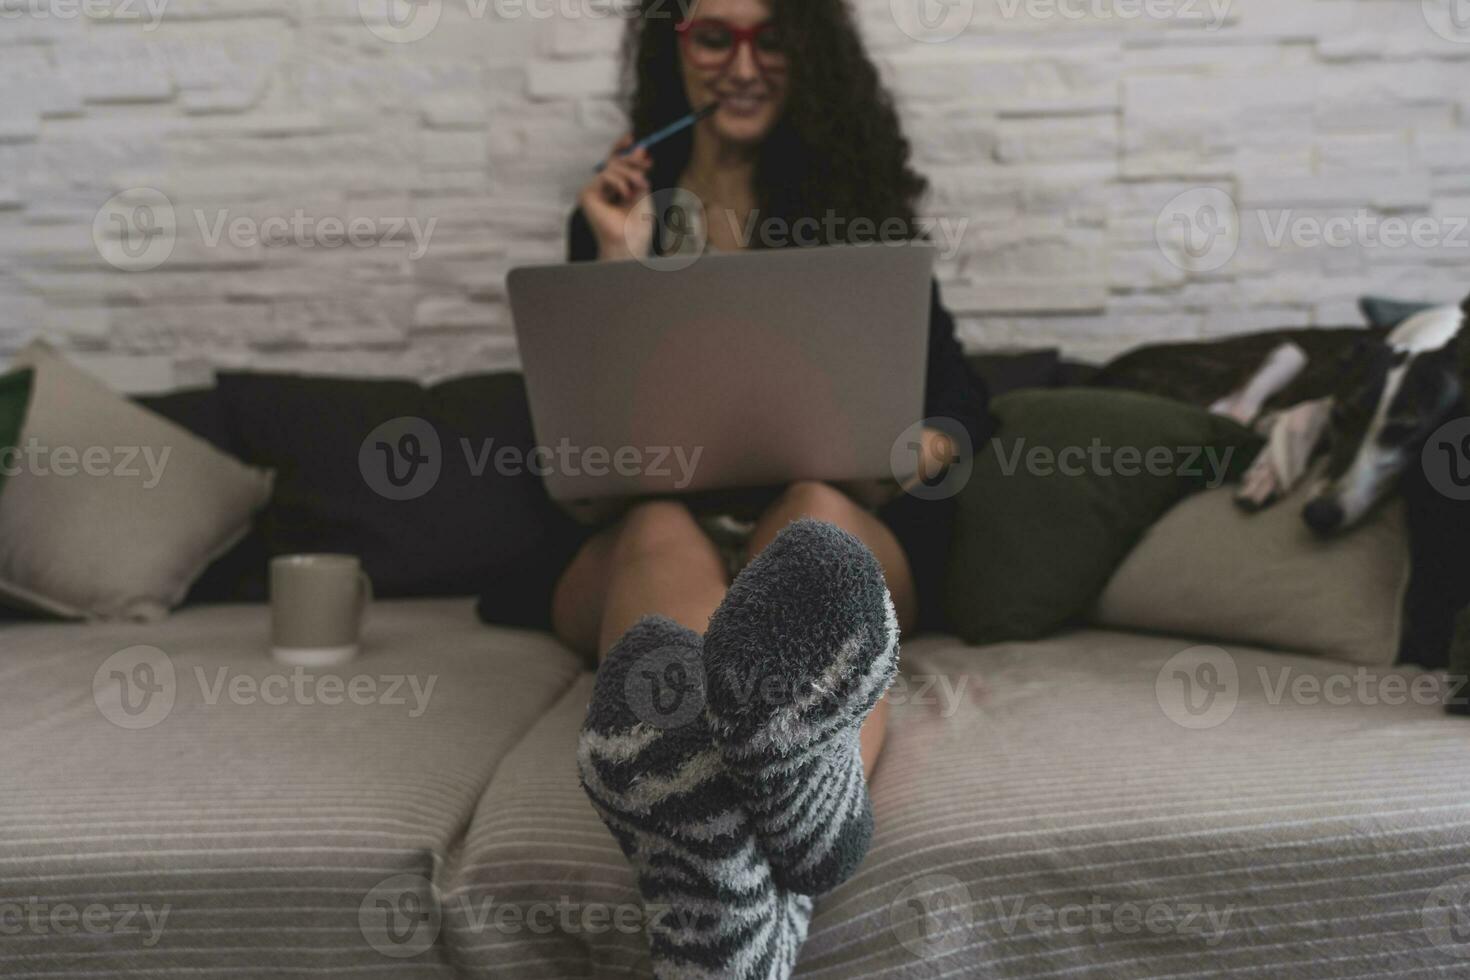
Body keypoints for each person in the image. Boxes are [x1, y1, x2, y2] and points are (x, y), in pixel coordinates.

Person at [565, 1, 991, 976]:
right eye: (716, 36)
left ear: (811, 54)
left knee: (814, 516)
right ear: (675, 51)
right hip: (655, 533)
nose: (744, 63)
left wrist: (910, 440)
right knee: (661, 519)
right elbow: (577, 453)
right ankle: (794, 805)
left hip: (819, 522)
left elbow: (962, 410)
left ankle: (725, 883)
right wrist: (617, 265)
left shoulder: (860, 209)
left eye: (773, 37)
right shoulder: (617, 207)